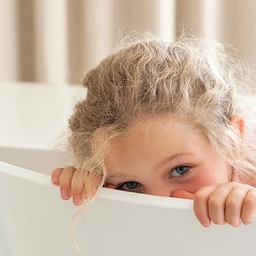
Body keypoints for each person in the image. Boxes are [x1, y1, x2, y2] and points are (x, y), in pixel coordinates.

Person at [51, 35, 256, 228]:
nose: (158, 201)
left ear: (232, 140)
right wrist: (81, 193)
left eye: (181, 170)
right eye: (131, 185)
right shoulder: (110, 181)